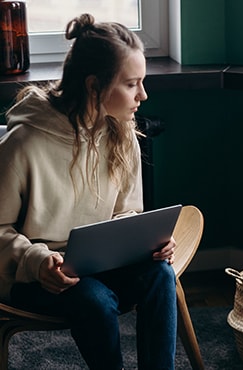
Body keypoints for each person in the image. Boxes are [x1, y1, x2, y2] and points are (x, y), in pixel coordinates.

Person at [0, 14, 177, 370]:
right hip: (36, 277)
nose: (143, 95)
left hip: (102, 264)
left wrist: (149, 244)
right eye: (132, 84)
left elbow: (126, 212)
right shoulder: (24, 142)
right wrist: (38, 262)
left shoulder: (122, 131)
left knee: (160, 275)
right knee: (94, 298)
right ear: (94, 86)